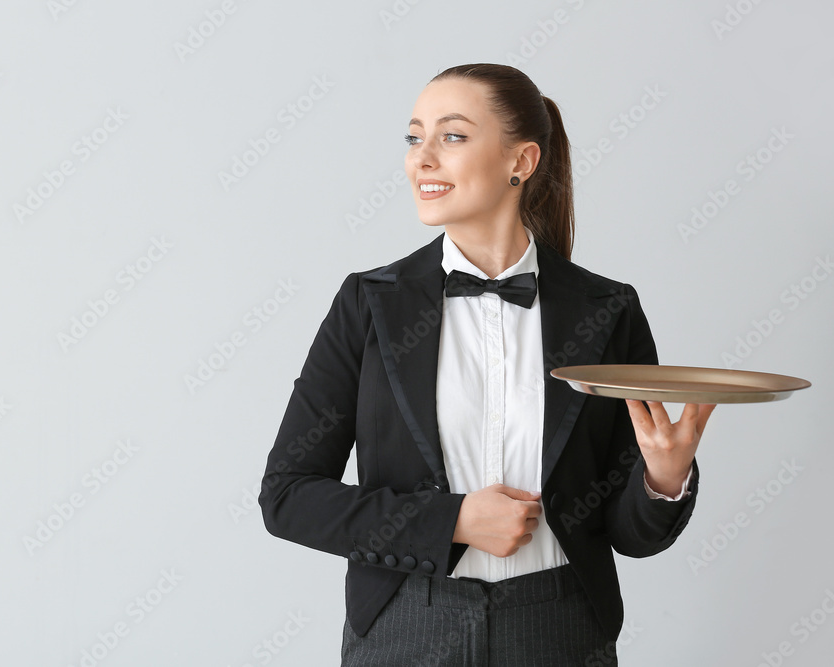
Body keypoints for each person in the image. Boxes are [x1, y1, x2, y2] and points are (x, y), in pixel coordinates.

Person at [258, 63, 715, 666]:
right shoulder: (368, 304)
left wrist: (662, 479)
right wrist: (451, 520)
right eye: (413, 137)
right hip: (404, 630)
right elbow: (287, 496)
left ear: (520, 162)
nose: (421, 159)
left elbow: (631, 536)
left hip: (561, 631)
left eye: (451, 136)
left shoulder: (607, 310)